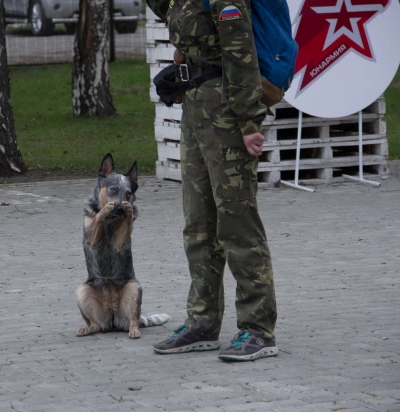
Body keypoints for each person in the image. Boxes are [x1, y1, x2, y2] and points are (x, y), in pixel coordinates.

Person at [147, 0, 279, 362]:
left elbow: (240, 51)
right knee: (198, 223)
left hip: (228, 112)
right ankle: (202, 324)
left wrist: (249, 121)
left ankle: (258, 329)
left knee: (237, 223)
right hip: (196, 108)